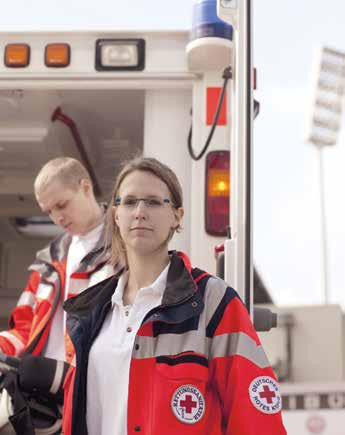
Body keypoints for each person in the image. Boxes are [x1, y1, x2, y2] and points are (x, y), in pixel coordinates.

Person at [62, 156, 287, 435]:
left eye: (154, 202)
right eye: (129, 201)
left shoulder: (213, 301)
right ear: (116, 215)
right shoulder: (90, 311)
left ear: (177, 216)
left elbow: (256, 420)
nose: (140, 212)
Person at [0, 157, 118, 433]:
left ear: (85, 187)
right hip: (44, 400)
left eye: (62, 204)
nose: (57, 217)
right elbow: (24, 329)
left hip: (96, 399)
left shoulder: (122, 248)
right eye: (49, 210)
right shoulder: (48, 261)